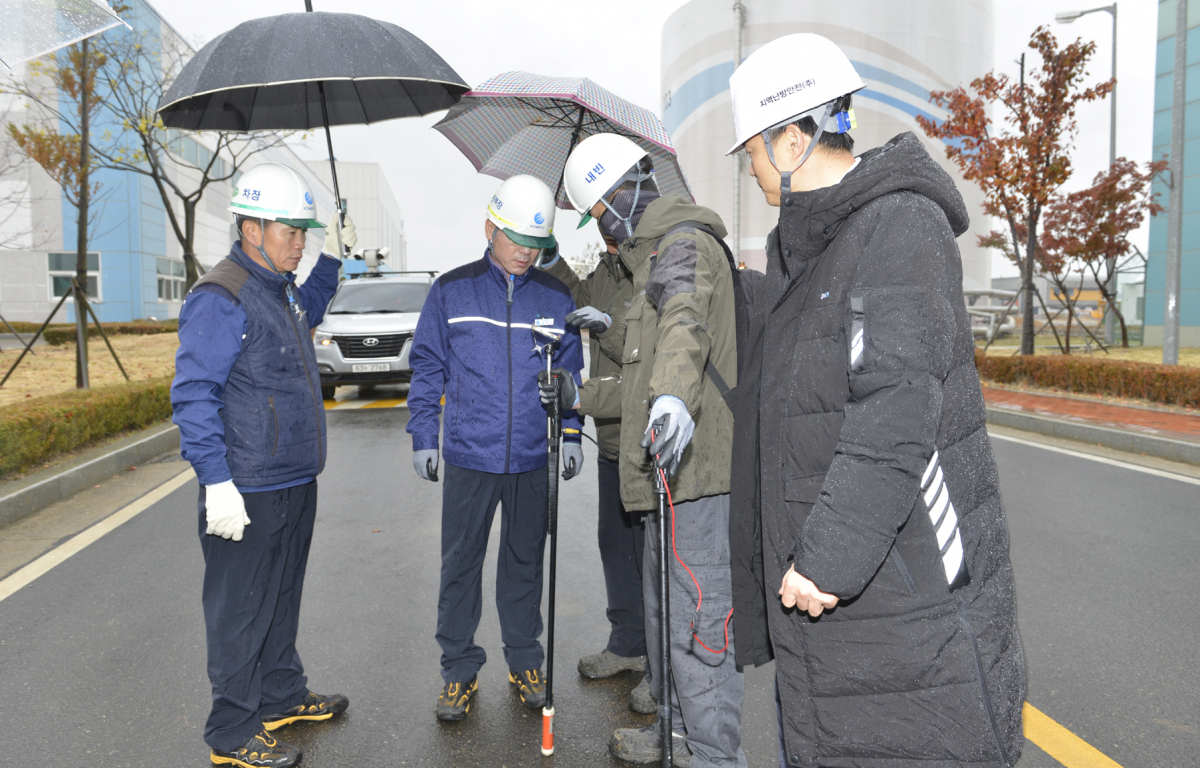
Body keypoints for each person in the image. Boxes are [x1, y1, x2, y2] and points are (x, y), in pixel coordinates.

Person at [724, 33, 1026, 768]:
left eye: (754, 150)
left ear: (793, 139)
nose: (750, 167)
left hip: (902, 602)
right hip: (842, 615)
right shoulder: (812, 246)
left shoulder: (897, 227)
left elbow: (893, 412)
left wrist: (826, 560)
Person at [545, 133, 746, 768]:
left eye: (599, 213)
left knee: (697, 632)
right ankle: (673, 735)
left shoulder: (681, 247)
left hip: (698, 479)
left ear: (622, 197)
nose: (602, 228)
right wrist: (579, 396)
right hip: (670, 481)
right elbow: (639, 381)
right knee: (667, 621)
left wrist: (674, 401)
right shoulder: (652, 260)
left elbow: (685, 326)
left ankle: (710, 755)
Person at [171, 162, 357, 768]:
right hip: (246, 484)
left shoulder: (280, 289)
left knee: (280, 595)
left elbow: (311, 308)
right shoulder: (221, 295)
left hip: (294, 476)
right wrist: (215, 481)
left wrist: (334, 254)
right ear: (251, 228)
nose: (299, 242)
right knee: (240, 608)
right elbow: (194, 394)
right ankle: (231, 730)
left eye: (304, 232)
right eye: (290, 231)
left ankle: (279, 695)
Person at [406, 174, 586, 722]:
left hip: (534, 457)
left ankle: (525, 660)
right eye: (515, 240)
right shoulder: (452, 290)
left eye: (535, 244)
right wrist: (422, 435)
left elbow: (573, 369)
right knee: (460, 565)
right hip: (468, 455)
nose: (525, 254)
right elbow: (427, 365)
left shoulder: (556, 296)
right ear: (490, 228)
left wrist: (572, 431)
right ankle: (459, 671)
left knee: (524, 564)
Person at [537, 226, 654, 711]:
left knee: (655, 559)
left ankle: (663, 663)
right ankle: (627, 645)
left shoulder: (655, 264)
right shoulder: (607, 270)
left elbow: (651, 352)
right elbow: (573, 295)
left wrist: (609, 326)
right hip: (611, 436)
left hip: (646, 440)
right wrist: (551, 253)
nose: (602, 224)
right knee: (616, 545)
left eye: (607, 209)